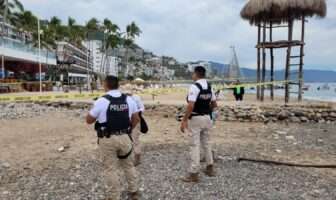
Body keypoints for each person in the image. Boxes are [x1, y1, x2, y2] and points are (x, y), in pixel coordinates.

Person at [86, 76, 140, 200]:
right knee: (129, 165)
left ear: (106, 85)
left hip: (107, 138)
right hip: (125, 136)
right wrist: (129, 130)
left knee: (110, 168)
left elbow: (89, 120)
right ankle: (134, 191)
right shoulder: (129, 100)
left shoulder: (102, 100)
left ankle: (114, 196)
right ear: (118, 85)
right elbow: (136, 118)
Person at [180, 66, 217, 183]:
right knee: (206, 143)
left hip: (196, 118)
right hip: (207, 118)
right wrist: (207, 111)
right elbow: (214, 104)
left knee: (194, 145)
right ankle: (210, 167)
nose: (192, 76)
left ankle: (194, 173)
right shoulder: (210, 86)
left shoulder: (194, 87)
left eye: (193, 74)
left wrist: (184, 120)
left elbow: (191, 105)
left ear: (196, 74)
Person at [124, 89, 146, 166]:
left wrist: (135, 113)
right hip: (128, 121)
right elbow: (142, 108)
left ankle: (137, 158)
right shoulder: (127, 98)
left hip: (134, 120)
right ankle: (132, 158)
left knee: (134, 139)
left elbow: (142, 108)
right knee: (129, 139)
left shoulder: (135, 98)